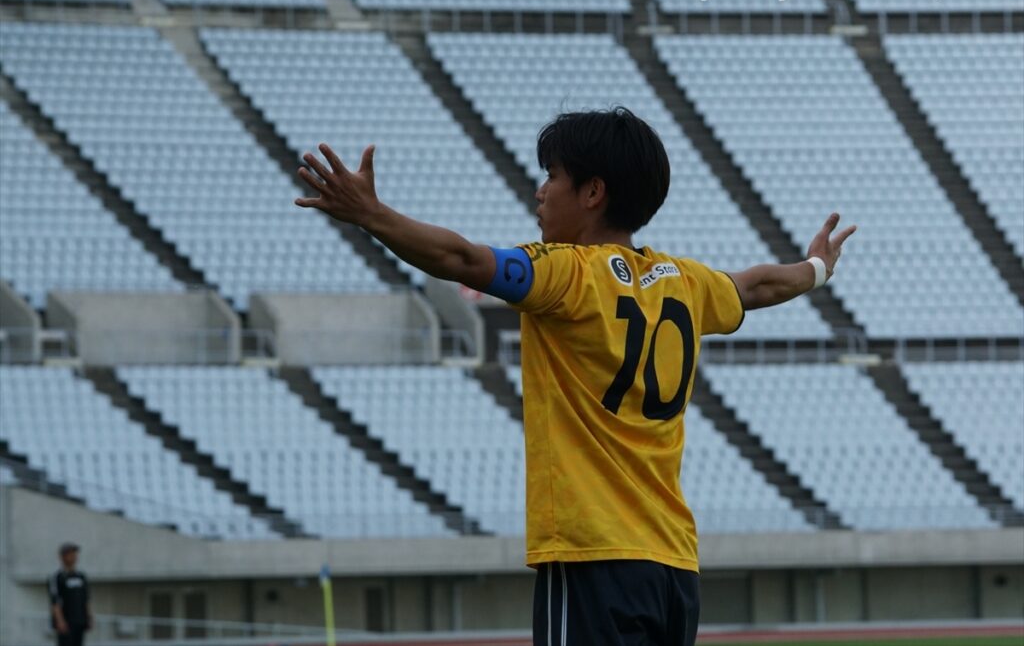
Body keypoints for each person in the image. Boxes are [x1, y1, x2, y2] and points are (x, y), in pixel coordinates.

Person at [295, 107, 855, 645]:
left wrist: (371, 214)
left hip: (594, 555)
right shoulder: (685, 283)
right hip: (673, 565)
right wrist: (817, 269)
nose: (540, 192)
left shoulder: (565, 273)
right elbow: (757, 286)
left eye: (553, 176)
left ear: (593, 192)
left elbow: (462, 260)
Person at [48, 542, 92, 646]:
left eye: (75, 554)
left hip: (80, 621)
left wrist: (89, 617)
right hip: (66, 623)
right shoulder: (57, 577)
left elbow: (86, 599)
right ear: (63, 557)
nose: (74, 556)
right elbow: (55, 601)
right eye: (70, 554)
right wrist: (60, 621)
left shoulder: (81, 576)